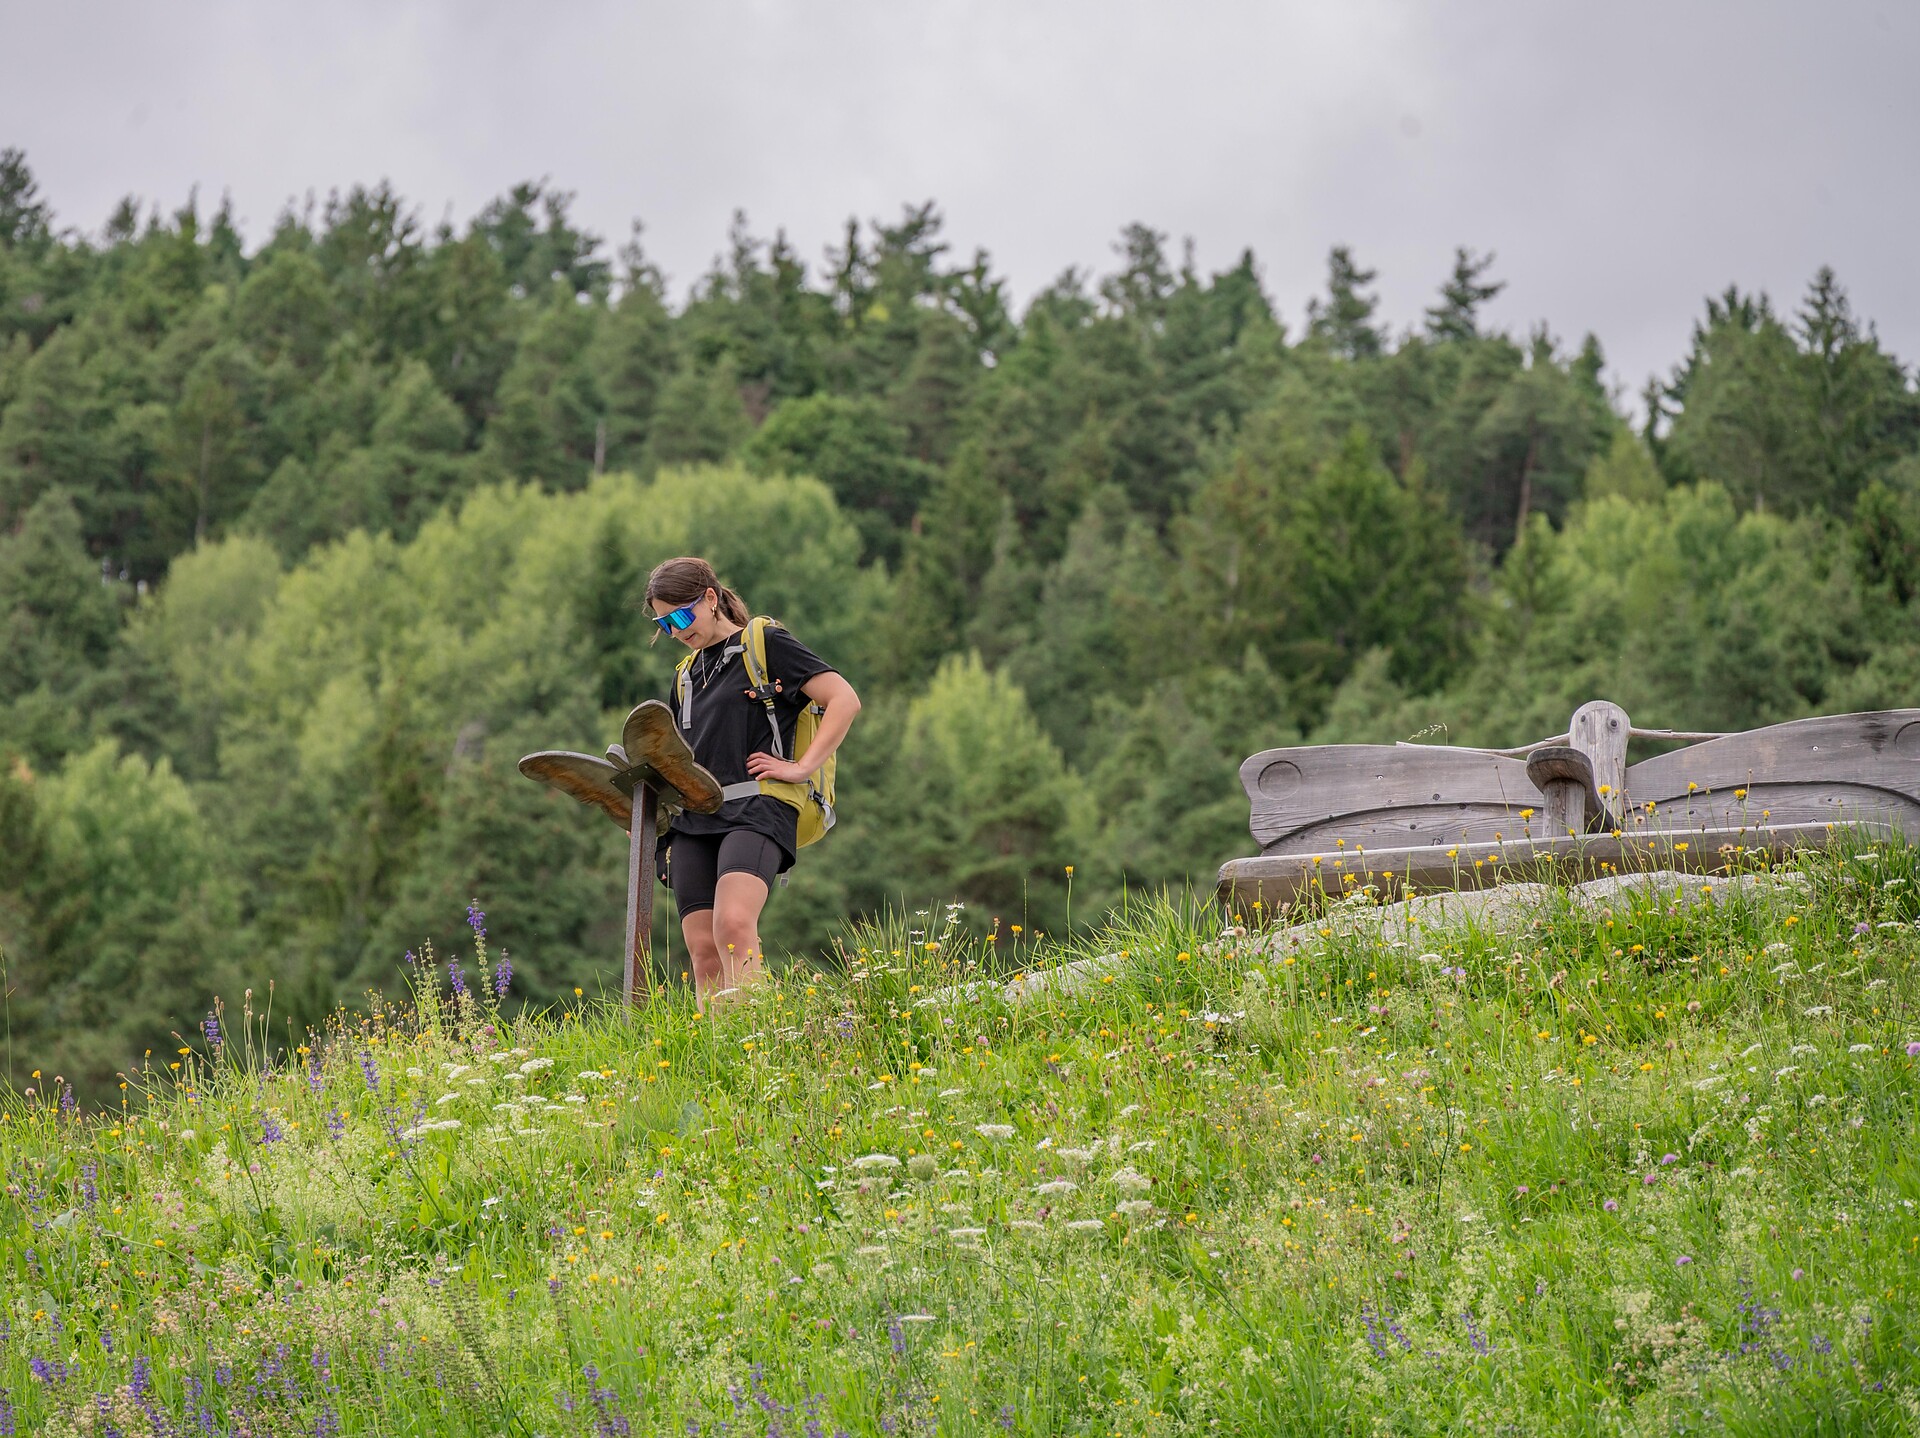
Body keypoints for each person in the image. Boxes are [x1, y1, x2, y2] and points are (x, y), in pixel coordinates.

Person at [643, 556, 859, 1000]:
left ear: (710, 597)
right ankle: (721, 1060)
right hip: (694, 816)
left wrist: (801, 768)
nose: (677, 631)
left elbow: (844, 698)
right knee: (702, 951)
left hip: (757, 806)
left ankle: (756, 1044)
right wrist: (648, 813)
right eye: (665, 624)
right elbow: (676, 759)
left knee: (733, 924)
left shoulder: (765, 643)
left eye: (682, 616)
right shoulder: (685, 677)